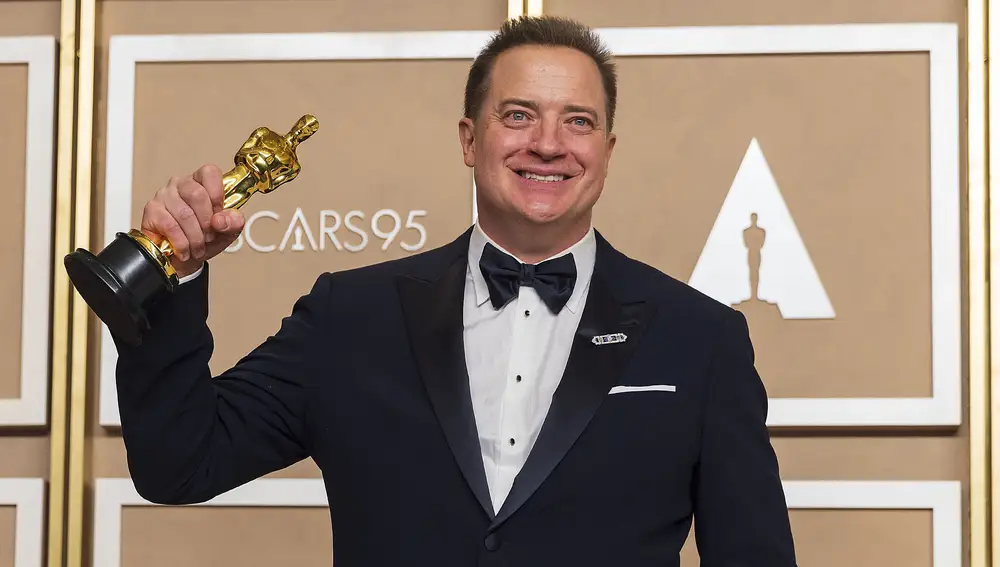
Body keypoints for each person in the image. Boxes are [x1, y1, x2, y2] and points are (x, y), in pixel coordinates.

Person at [114, 15, 797, 567]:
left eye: (579, 121)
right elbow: (178, 461)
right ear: (470, 139)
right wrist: (177, 273)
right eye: (520, 115)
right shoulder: (351, 318)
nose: (551, 144)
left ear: (608, 150)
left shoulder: (700, 339)